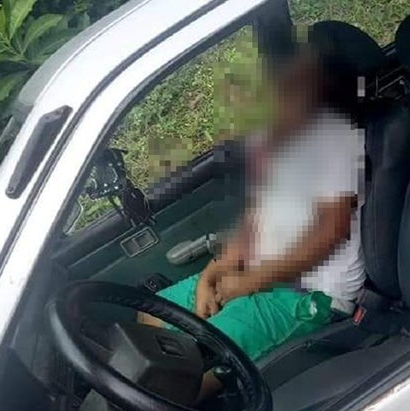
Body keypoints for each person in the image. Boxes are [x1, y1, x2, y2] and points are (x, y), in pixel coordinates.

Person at [139, 25, 366, 401]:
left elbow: (331, 232)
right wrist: (213, 273)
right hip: (262, 273)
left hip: (311, 293)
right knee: (151, 315)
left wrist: (251, 282)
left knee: (198, 366)